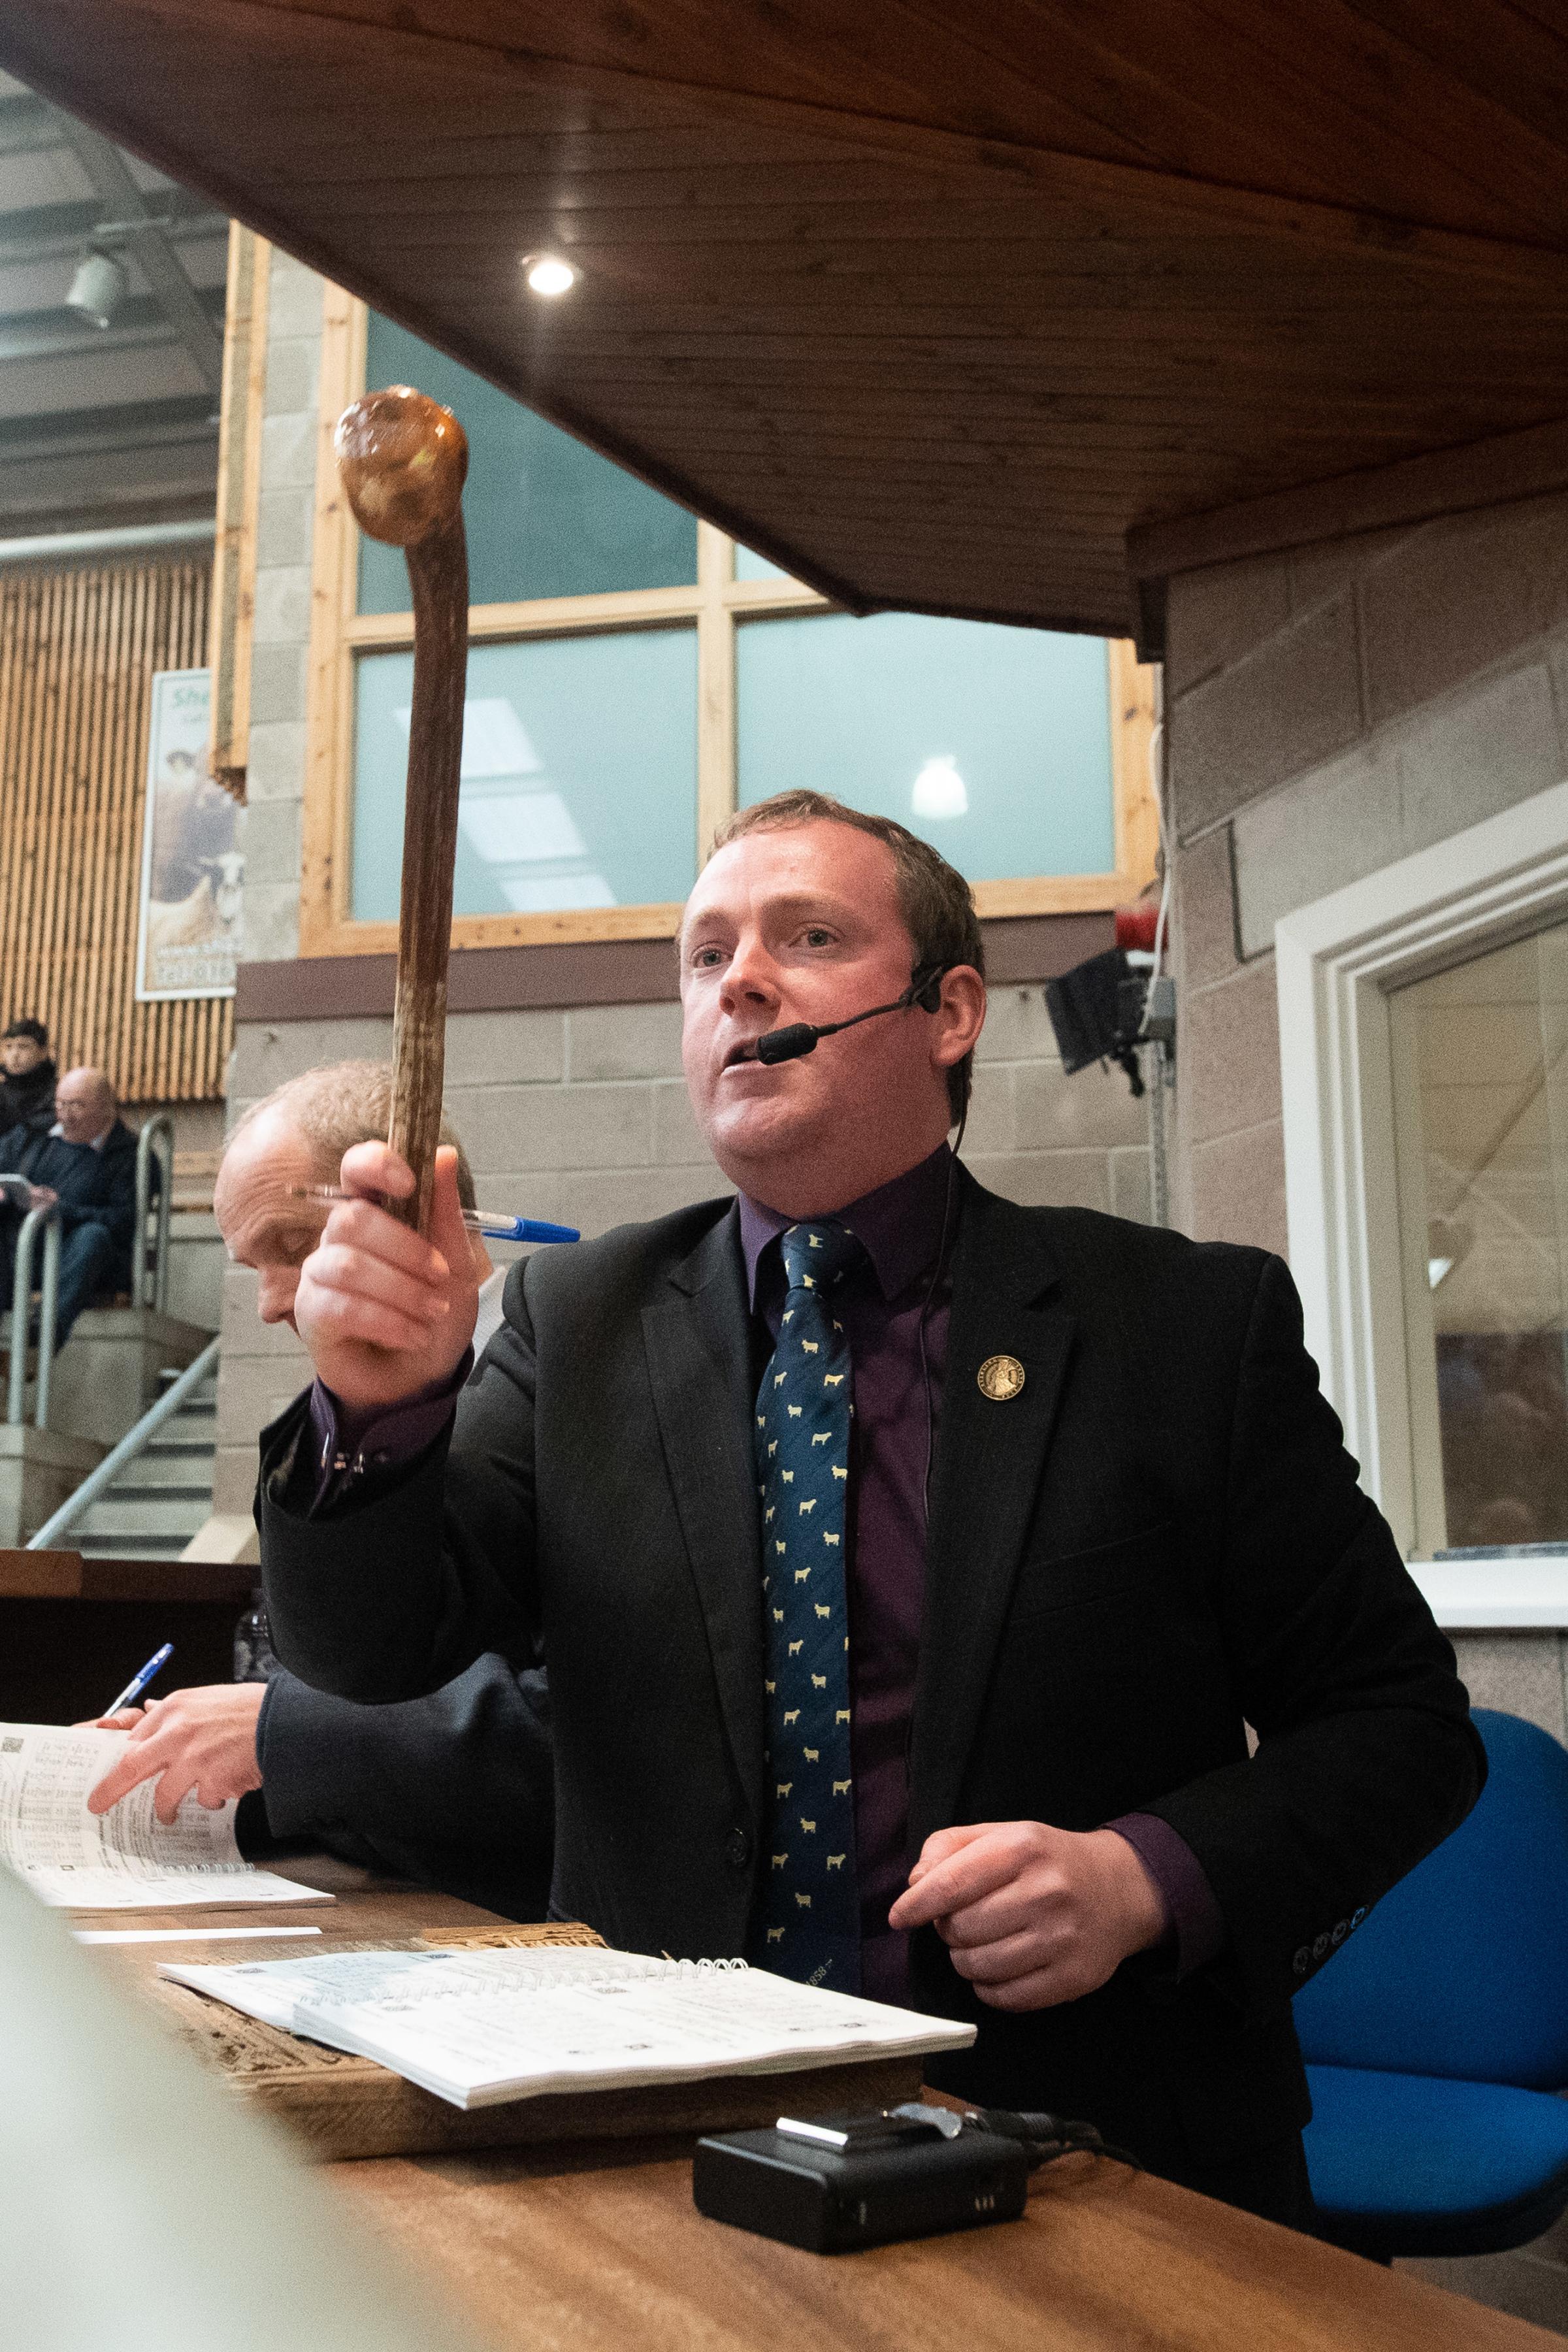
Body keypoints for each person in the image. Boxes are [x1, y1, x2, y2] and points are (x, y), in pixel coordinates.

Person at [257, 791, 1483, 2228]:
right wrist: (378, 1412)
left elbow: (1401, 1726)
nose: (741, 983)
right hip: (658, 2157)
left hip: (1094, 2161)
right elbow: (372, 1651)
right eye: (705, 955)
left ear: (947, 1009)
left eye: (808, 937)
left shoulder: (1185, 1327)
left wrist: (1145, 1877)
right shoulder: (576, 1319)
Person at [82, 1061, 552, 1921]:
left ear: (403, 1204)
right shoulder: (332, 1423)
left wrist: (276, 1736)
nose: (267, 1304)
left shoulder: (554, 1373)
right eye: (249, 1263)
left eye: (291, 1246)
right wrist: (186, 1757)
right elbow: (348, 1678)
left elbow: (565, 1729)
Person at [0, 1067, 139, 1344]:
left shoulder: (129, 1155)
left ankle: (48, 1328)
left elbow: (124, 1221)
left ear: (105, 1108)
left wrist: (61, 1209)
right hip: (26, 1249)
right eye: (60, 1104)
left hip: (76, 1259)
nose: (65, 1115)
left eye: (76, 1105)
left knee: (93, 1236)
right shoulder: (32, 1135)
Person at [0, 1017, 56, 1137]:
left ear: (43, 1053)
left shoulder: (59, 1094)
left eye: (23, 1046)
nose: (15, 1055)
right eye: (9, 1047)